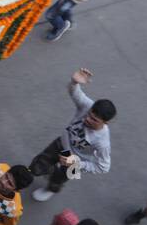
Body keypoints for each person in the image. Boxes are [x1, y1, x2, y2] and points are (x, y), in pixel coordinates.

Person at [29, 67, 114, 202]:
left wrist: (78, 163)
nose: (87, 119)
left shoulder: (103, 142)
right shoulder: (88, 106)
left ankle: (51, 189)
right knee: (36, 167)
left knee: (59, 180)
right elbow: (77, 94)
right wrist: (74, 83)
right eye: (89, 115)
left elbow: (103, 167)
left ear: (106, 122)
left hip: (77, 162)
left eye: (94, 120)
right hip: (61, 143)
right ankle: (49, 170)